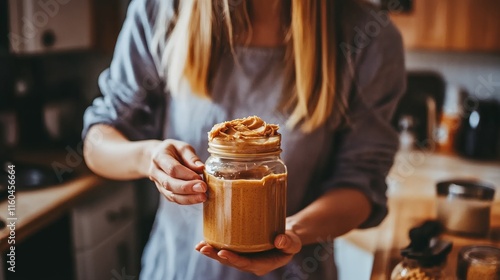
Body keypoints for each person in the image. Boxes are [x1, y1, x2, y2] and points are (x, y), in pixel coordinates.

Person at [82, 0, 406, 279]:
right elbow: (98, 141)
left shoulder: (367, 35)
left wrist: (292, 231)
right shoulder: (163, 9)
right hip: (178, 268)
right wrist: (148, 157)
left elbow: (362, 184)